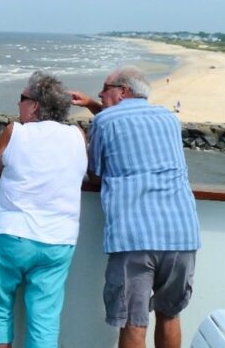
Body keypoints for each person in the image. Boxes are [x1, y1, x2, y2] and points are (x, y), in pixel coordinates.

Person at [71, 66, 200, 348]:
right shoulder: (168, 117)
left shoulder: (104, 122)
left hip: (134, 235)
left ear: (122, 91)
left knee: (133, 321)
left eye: (104, 89)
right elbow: (128, 124)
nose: (100, 95)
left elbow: (96, 173)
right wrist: (96, 106)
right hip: (182, 232)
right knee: (170, 315)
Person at [0, 71, 87, 348]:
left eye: (22, 98)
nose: (18, 105)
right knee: (45, 317)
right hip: (59, 239)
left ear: (36, 105)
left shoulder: (15, 131)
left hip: (11, 234)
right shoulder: (77, 135)